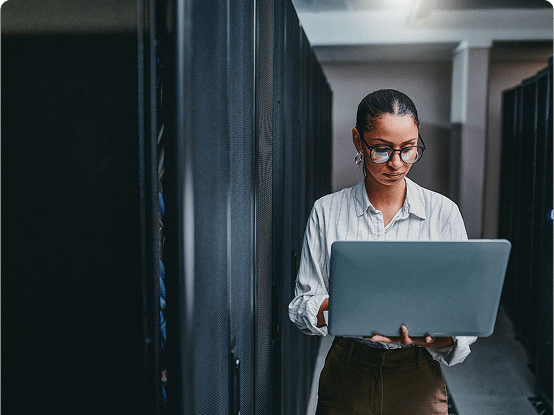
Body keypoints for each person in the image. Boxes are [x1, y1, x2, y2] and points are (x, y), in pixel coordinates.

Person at [288, 89, 477, 415]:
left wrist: (436, 339)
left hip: (418, 372)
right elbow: (302, 305)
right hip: (349, 368)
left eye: (408, 150)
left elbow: (465, 316)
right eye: (381, 149)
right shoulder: (327, 212)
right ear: (358, 141)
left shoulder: (443, 213)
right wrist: (344, 306)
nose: (396, 163)